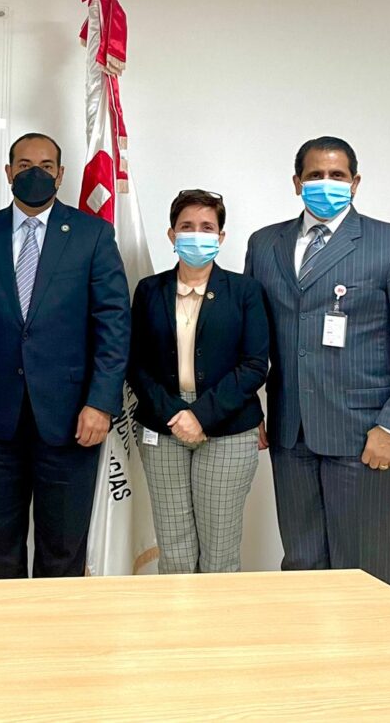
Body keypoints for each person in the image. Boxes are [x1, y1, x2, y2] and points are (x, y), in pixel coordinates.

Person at [244, 136, 390, 586]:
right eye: (315, 175)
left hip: (364, 435)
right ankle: (311, 635)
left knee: (363, 570)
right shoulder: (264, 244)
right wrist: (249, 410)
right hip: (290, 433)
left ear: (355, 183)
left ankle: (370, 638)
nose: (326, 183)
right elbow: (251, 339)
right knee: (302, 564)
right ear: (296, 182)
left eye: (337, 175)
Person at [0, 133, 130, 578]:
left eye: (46, 166)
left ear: (60, 175)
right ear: (9, 173)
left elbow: (114, 325)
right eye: (24, 165)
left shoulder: (92, 235)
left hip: (71, 418)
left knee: (62, 550)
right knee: (0, 548)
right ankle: (7, 625)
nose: (35, 174)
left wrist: (101, 403)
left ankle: (56, 625)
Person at [128, 190, 269, 574]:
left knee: (219, 551)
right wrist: (176, 414)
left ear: (221, 237)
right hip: (163, 427)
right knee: (174, 549)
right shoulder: (149, 290)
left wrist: (200, 416)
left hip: (228, 428)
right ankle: (179, 616)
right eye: (186, 226)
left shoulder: (245, 292)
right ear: (171, 234)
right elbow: (135, 363)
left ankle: (216, 617)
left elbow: (255, 365)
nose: (196, 234)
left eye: (207, 227)